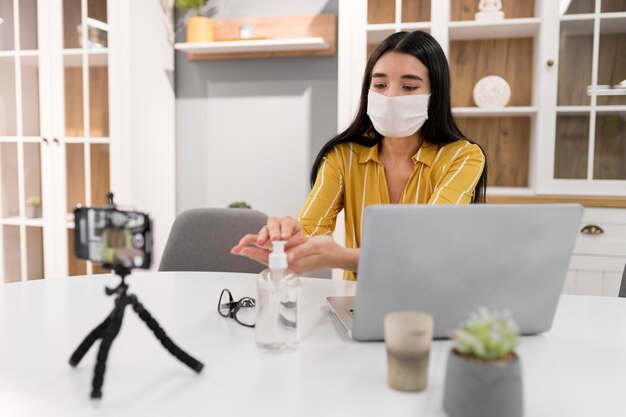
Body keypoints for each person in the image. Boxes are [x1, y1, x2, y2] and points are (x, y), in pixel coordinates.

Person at [231, 30, 487, 281]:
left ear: (435, 95)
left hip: (431, 300)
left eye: (408, 86)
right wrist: (286, 240)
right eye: (380, 84)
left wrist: (340, 257)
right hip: (356, 302)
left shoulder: (463, 157)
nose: (391, 97)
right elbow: (310, 230)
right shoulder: (343, 156)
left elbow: (428, 247)